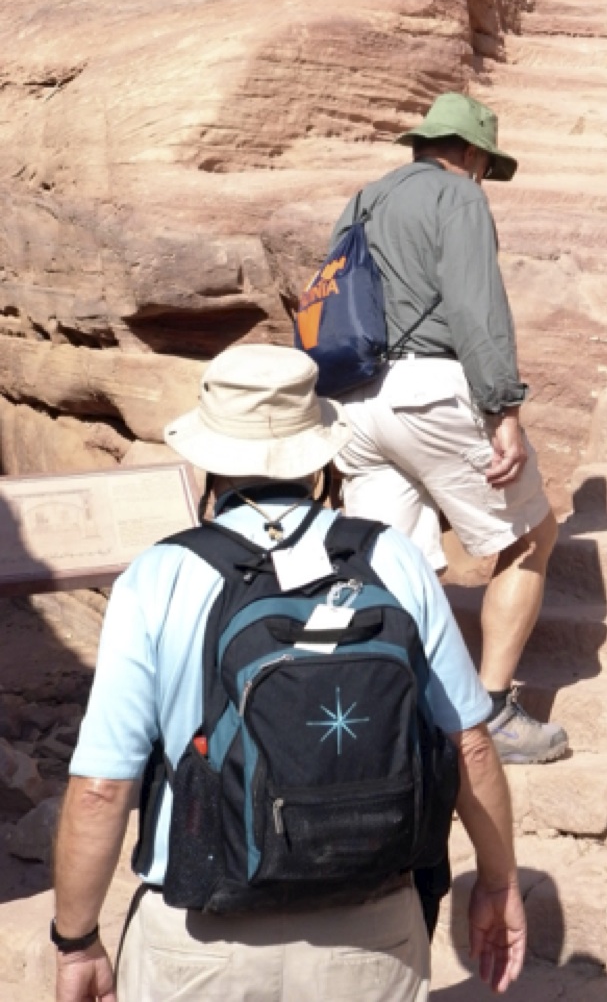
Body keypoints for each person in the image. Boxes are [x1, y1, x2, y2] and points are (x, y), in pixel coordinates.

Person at [53, 343, 525, 1002]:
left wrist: (76, 941)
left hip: (203, 939)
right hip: (372, 928)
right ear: (320, 456)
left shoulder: (159, 575)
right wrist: (499, 883)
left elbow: (103, 788)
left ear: (209, 459)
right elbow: (469, 744)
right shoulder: (392, 558)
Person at [331, 92, 568, 765]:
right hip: (429, 391)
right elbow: (475, 307)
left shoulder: (361, 201)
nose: (484, 177)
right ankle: (492, 714)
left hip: (355, 399)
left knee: (394, 564)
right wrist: (504, 410)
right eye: (485, 164)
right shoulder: (458, 196)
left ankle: (390, 715)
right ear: (467, 153)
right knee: (531, 537)